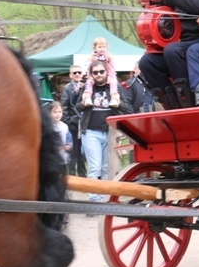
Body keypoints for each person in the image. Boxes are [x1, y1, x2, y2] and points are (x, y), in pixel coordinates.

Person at [76, 60, 135, 202]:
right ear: (91, 74)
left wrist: (118, 103)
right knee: (94, 167)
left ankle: (103, 196)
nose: (98, 75)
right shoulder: (88, 88)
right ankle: (94, 198)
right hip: (91, 131)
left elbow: (128, 108)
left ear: (106, 72)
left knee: (105, 167)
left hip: (110, 132)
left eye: (101, 72)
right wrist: (84, 103)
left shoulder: (116, 87)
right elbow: (77, 106)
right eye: (95, 72)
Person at [60, 64, 87, 177]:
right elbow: (64, 106)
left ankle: (82, 174)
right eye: (74, 73)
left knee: (83, 151)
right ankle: (71, 175)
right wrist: (69, 121)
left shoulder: (86, 86)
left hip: (84, 122)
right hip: (73, 123)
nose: (77, 74)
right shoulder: (67, 88)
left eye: (79, 72)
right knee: (73, 151)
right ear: (70, 75)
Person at [82, 37, 120, 108]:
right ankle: (87, 98)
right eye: (99, 47)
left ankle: (114, 98)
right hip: (93, 76)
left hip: (109, 74)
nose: (102, 48)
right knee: (89, 82)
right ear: (95, 48)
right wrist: (90, 77)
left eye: (104, 47)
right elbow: (89, 68)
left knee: (114, 82)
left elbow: (112, 67)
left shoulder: (108, 56)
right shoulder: (93, 57)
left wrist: (109, 76)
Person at [48, 101, 72, 171]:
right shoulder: (48, 127)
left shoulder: (65, 126)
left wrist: (69, 145)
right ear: (49, 114)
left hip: (63, 158)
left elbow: (69, 139)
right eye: (55, 112)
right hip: (51, 159)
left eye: (59, 112)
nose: (57, 114)